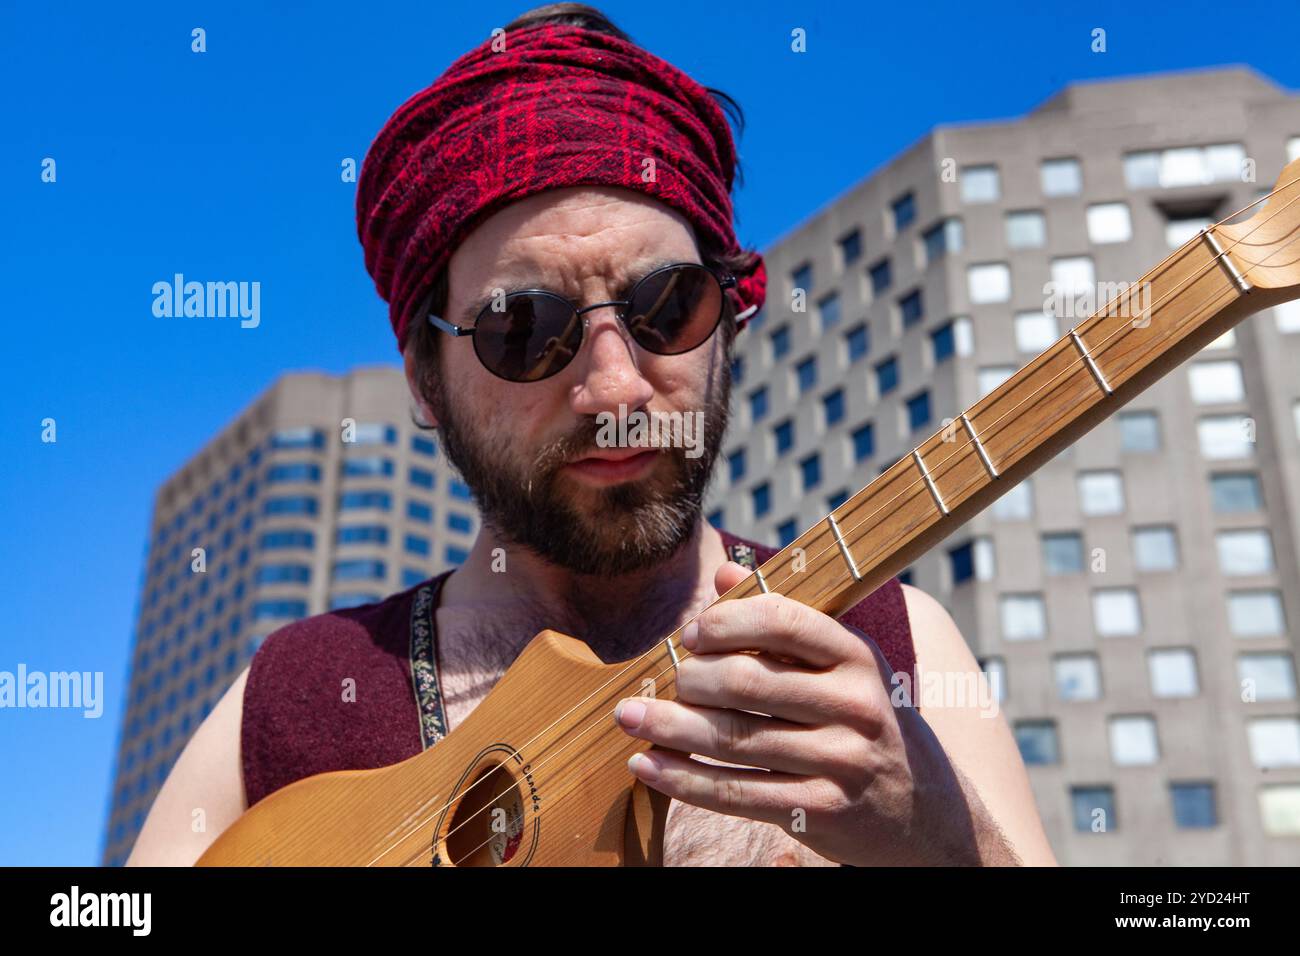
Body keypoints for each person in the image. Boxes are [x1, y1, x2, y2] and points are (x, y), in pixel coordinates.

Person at [128, 3, 1056, 867]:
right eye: (523, 331)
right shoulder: (290, 703)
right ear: (424, 381)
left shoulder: (899, 649)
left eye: (667, 305)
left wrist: (937, 832)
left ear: (730, 321)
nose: (613, 384)